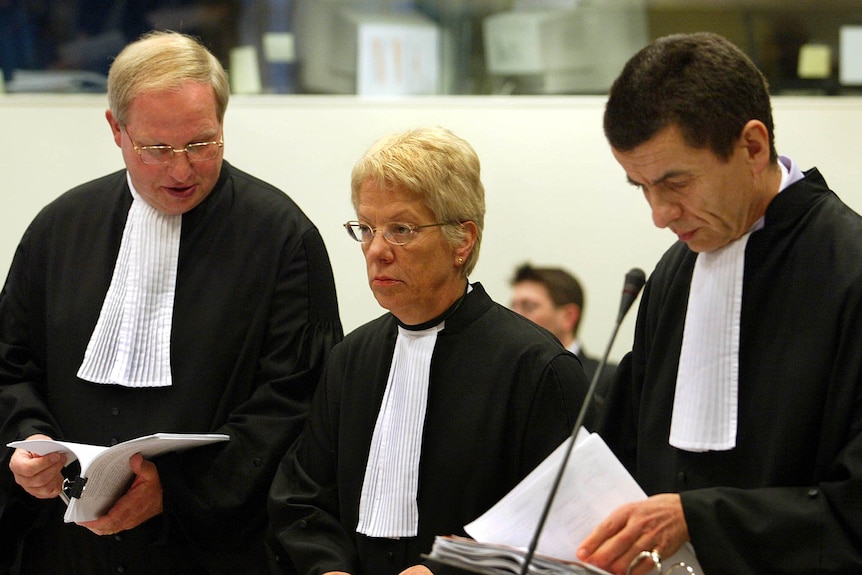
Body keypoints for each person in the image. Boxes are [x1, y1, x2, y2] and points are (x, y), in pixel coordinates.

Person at [0, 30, 342, 574]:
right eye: (156, 149)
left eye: (202, 144)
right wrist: (28, 442)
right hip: (66, 551)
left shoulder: (281, 239)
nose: (182, 170)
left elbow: (297, 401)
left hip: (211, 549)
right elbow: (10, 365)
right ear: (116, 130)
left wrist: (177, 493)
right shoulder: (59, 229)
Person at [575, 32, 862, 575]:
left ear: (752, 147)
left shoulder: (849, 271)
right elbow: (623, 465)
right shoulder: (671, 276)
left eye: (675, 182)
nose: (659, 214)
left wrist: (700, 520)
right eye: (641, 187)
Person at [267, 126, 589, 575]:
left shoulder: (535, 366)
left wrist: (449, 571)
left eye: (401, 230)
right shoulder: (349, 359)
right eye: (366, 228)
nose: (376, 250)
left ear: (463, 241)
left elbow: (559, 523)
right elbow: (302, 498)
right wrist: (328, 568)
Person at [509, 263, 617, 425]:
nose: (513, 316)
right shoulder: (505, 374)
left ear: (568, 317)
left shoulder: (607, 381)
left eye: (528, 307)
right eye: (513, 307)